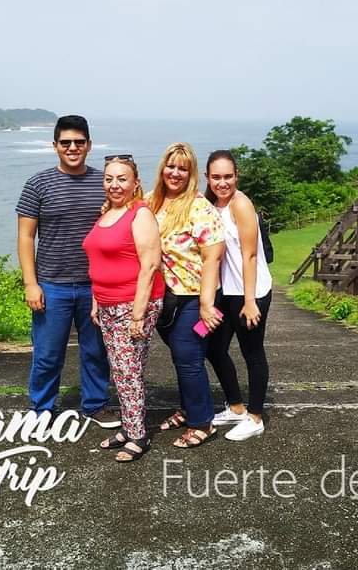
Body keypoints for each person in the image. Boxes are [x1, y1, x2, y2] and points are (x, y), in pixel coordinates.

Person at [15, 115, 120, 428]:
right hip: (52, 285)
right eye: (65, 143)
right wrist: (30, 284)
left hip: (96, 286)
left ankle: (96, 404)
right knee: (47, 354)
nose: (72, 148)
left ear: (89, 145)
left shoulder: (104, 183)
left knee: (96, 352)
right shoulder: (38, 184)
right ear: (55, 146)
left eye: (78, 142)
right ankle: (42, 408)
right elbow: (25, 236)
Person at [82, 155, 165, 462]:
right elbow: (99, 261)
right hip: (107, 304)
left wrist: (138, 314)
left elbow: (150, 265)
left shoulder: (140, 214)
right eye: (109, 179)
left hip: (133, 304)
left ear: (135, 184)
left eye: (122, 179)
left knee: (129, 372)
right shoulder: (107, 213)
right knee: (119, 371)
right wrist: (95, 300)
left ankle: (138, 436)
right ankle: (129, 428)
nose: (115, 185)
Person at [148, 142, 225, 448]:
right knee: (181, 358)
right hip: (164, 299)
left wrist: (207, 305)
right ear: (162, 168)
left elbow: (212, 258)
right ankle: (189, 407)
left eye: (183, 168)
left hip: (196, 299)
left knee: (189, 358)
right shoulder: (152, 202)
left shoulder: (198, 207)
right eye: (171, 166)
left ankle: (202, 422)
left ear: (192, 173)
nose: (175, 173)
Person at [204, 149, 273, 441]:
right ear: (207, 178)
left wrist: (249, 301)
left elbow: (250, 255)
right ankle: (235, 406)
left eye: (228, 176)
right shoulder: (209, 204)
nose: (223, 182)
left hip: (250, 292)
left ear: (236, 176)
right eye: (216, 177)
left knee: (252, 352)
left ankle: (255, 417)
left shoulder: (241, 204)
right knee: (212, 348)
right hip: (225, 293)